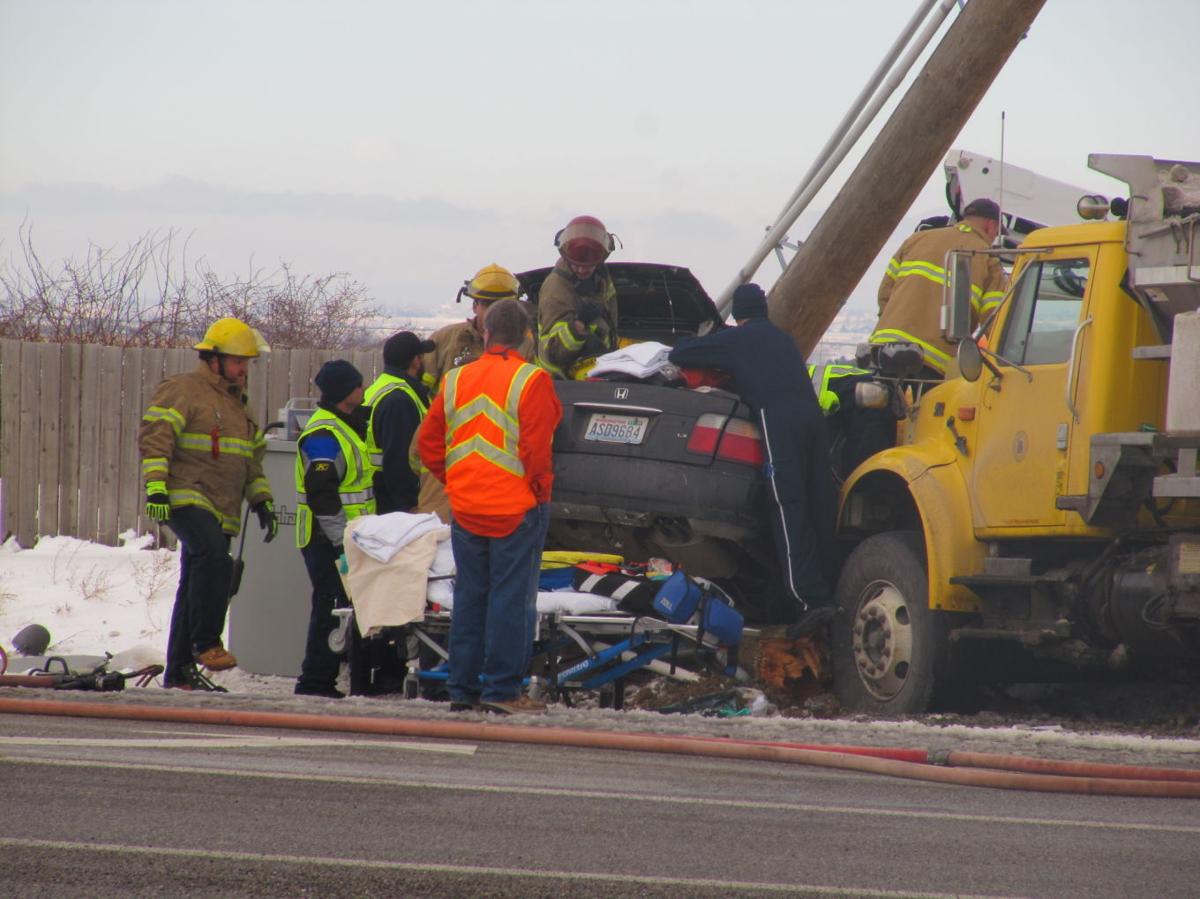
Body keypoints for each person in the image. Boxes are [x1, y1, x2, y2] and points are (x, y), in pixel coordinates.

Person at [418, 299, 562, 715]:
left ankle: (462, 690)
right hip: (517, 510)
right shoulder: (532, 380)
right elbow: (536, 450)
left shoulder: (455, 379)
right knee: (511, 601)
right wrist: (540, 493)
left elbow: (427, 444)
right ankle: (501, 691)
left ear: (485, 333)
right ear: (527, 335)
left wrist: (456, 482)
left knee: (469, 598)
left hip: (466, 508)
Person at [668, 284, 838, 634]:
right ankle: (831, 593)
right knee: (819, 504)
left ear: (737, 315)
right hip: (813, 422)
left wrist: (711, 337)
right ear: (763, 310)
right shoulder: (783, 339)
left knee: (789, 507)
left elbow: (681, 353)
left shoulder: (737, 340)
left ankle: (809, 603)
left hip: (780, 424)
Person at [139, 316, 277, 690]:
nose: (244, 369)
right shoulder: (183, 390)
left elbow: (250, 460)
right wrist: (156, 488)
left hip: (223, 505)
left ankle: (179, 671)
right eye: (238, 361)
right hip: (186, 494)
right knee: (214, 558)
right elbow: (156, 438)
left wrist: (262, 500)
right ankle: (207, 643)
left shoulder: (238, 406)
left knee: (195, 580)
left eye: (247, 362)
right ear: (213, 359)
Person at [416, 264, 533, 523]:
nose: (493, 311)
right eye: (487, 304)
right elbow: (423, 399)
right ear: (474, 305)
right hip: (446, 459)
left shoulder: (527, 346)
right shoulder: (445, 339)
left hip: (501, 464)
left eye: (501, 305)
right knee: (436, 531)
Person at [293, 359, 375, 699]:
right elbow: (322, 495)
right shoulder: (324, 434)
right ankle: (314, 682)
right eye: (358, 385)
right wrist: (341, 542)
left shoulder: (344, 425)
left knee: (338, 605)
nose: (363, 389)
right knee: (329, 606)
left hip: (346, 537)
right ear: (346, 392)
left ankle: (323, 679)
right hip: (326, 538)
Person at [869, 197, 1007, 378]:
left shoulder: (917, 239)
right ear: (991, 225)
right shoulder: (988, 258)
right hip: (934, 360)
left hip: (886, 347)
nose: (994, 238)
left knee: (883, 395)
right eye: (996, 232)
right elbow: (993, 318)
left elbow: (885, 293)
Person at [536, 214, 619, 379]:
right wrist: (578, 325)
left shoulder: (601, 278)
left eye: (587, 266)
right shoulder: (555, 290)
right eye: (576, 264)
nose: (581, 270)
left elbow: (611, 320)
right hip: (562, 382)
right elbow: (553, 353)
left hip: (597, 370)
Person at [365, 330, 435, 514]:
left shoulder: (379, 387)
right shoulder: (400, 400)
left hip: (378, 494)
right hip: (393, 505)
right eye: (421, 356)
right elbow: (400, 461)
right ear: (415, 361)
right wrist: (408, 507)